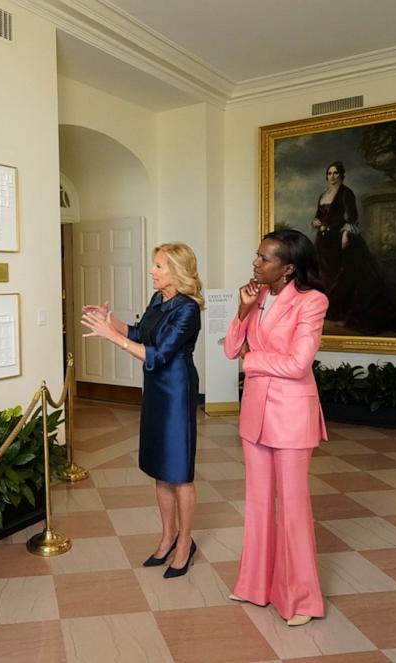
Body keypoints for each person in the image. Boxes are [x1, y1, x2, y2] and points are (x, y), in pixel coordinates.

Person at [223, 229, 327, 626]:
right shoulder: (257, 297)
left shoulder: (313, 301)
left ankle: (300, 599)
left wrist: (253, 362)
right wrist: (243, 310)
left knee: (295, 509)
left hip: (292, 418)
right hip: (255, 415)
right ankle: (255, 586)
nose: (255, 263)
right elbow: (231, 349)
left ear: (288, 268)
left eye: (264, 259)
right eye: (257, 255)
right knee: (258, 504)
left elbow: (298, 364)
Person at [81, 243, 203, 578]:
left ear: (176, 271)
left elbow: (159, 354)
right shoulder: (157, 300)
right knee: (159, 467)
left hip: (176, 390)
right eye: (154, 264)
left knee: (179, 471)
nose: (152, 270)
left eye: (159, 266)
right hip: (155, 391)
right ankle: (167, 536)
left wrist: (111, 338)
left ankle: (185, 543)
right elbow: (140, 334)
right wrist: (111, 322)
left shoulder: (188, 309)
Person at [311, 161, 396, 334]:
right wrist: (315, 221)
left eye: (336, 173)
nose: (332, 177)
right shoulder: (323, 195)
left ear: (342, 175)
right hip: (324, 240)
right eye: (329, 173)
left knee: (343, 275)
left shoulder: (346, 193)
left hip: (341, 239)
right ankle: (330, 313)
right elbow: (317, 216)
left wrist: (345, 235)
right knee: (326, 275)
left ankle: (343, 314)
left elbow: (352, 217)